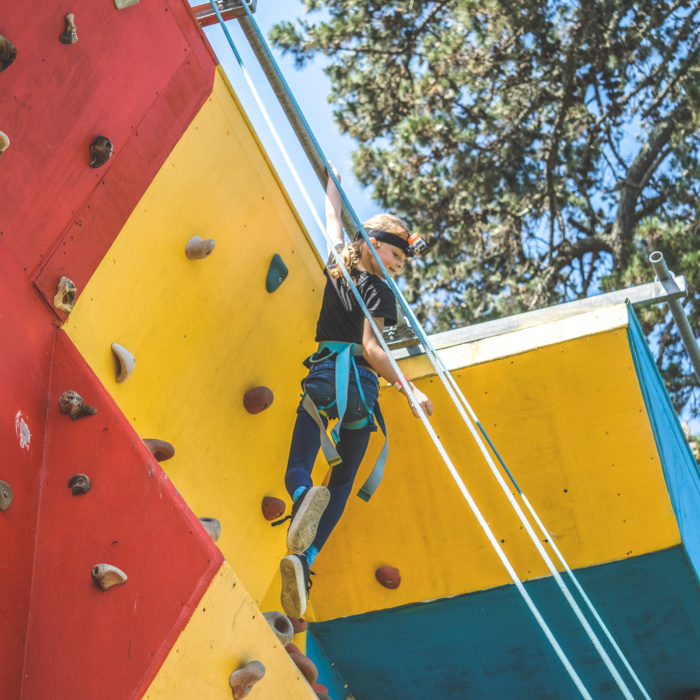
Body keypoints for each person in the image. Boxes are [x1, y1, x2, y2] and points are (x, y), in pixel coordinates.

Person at [278, 167, 433, 619]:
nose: (403, 260)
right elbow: (371, 349)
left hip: (324, 376)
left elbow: (331, 219)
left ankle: (301, 498)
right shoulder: (381, 292)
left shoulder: (338, 266)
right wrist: (408, 390)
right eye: (398, 249)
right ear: (373, 244)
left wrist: (332, 183)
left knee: (299, 463)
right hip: (361, 390)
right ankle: (307, 558)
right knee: (343, 481)